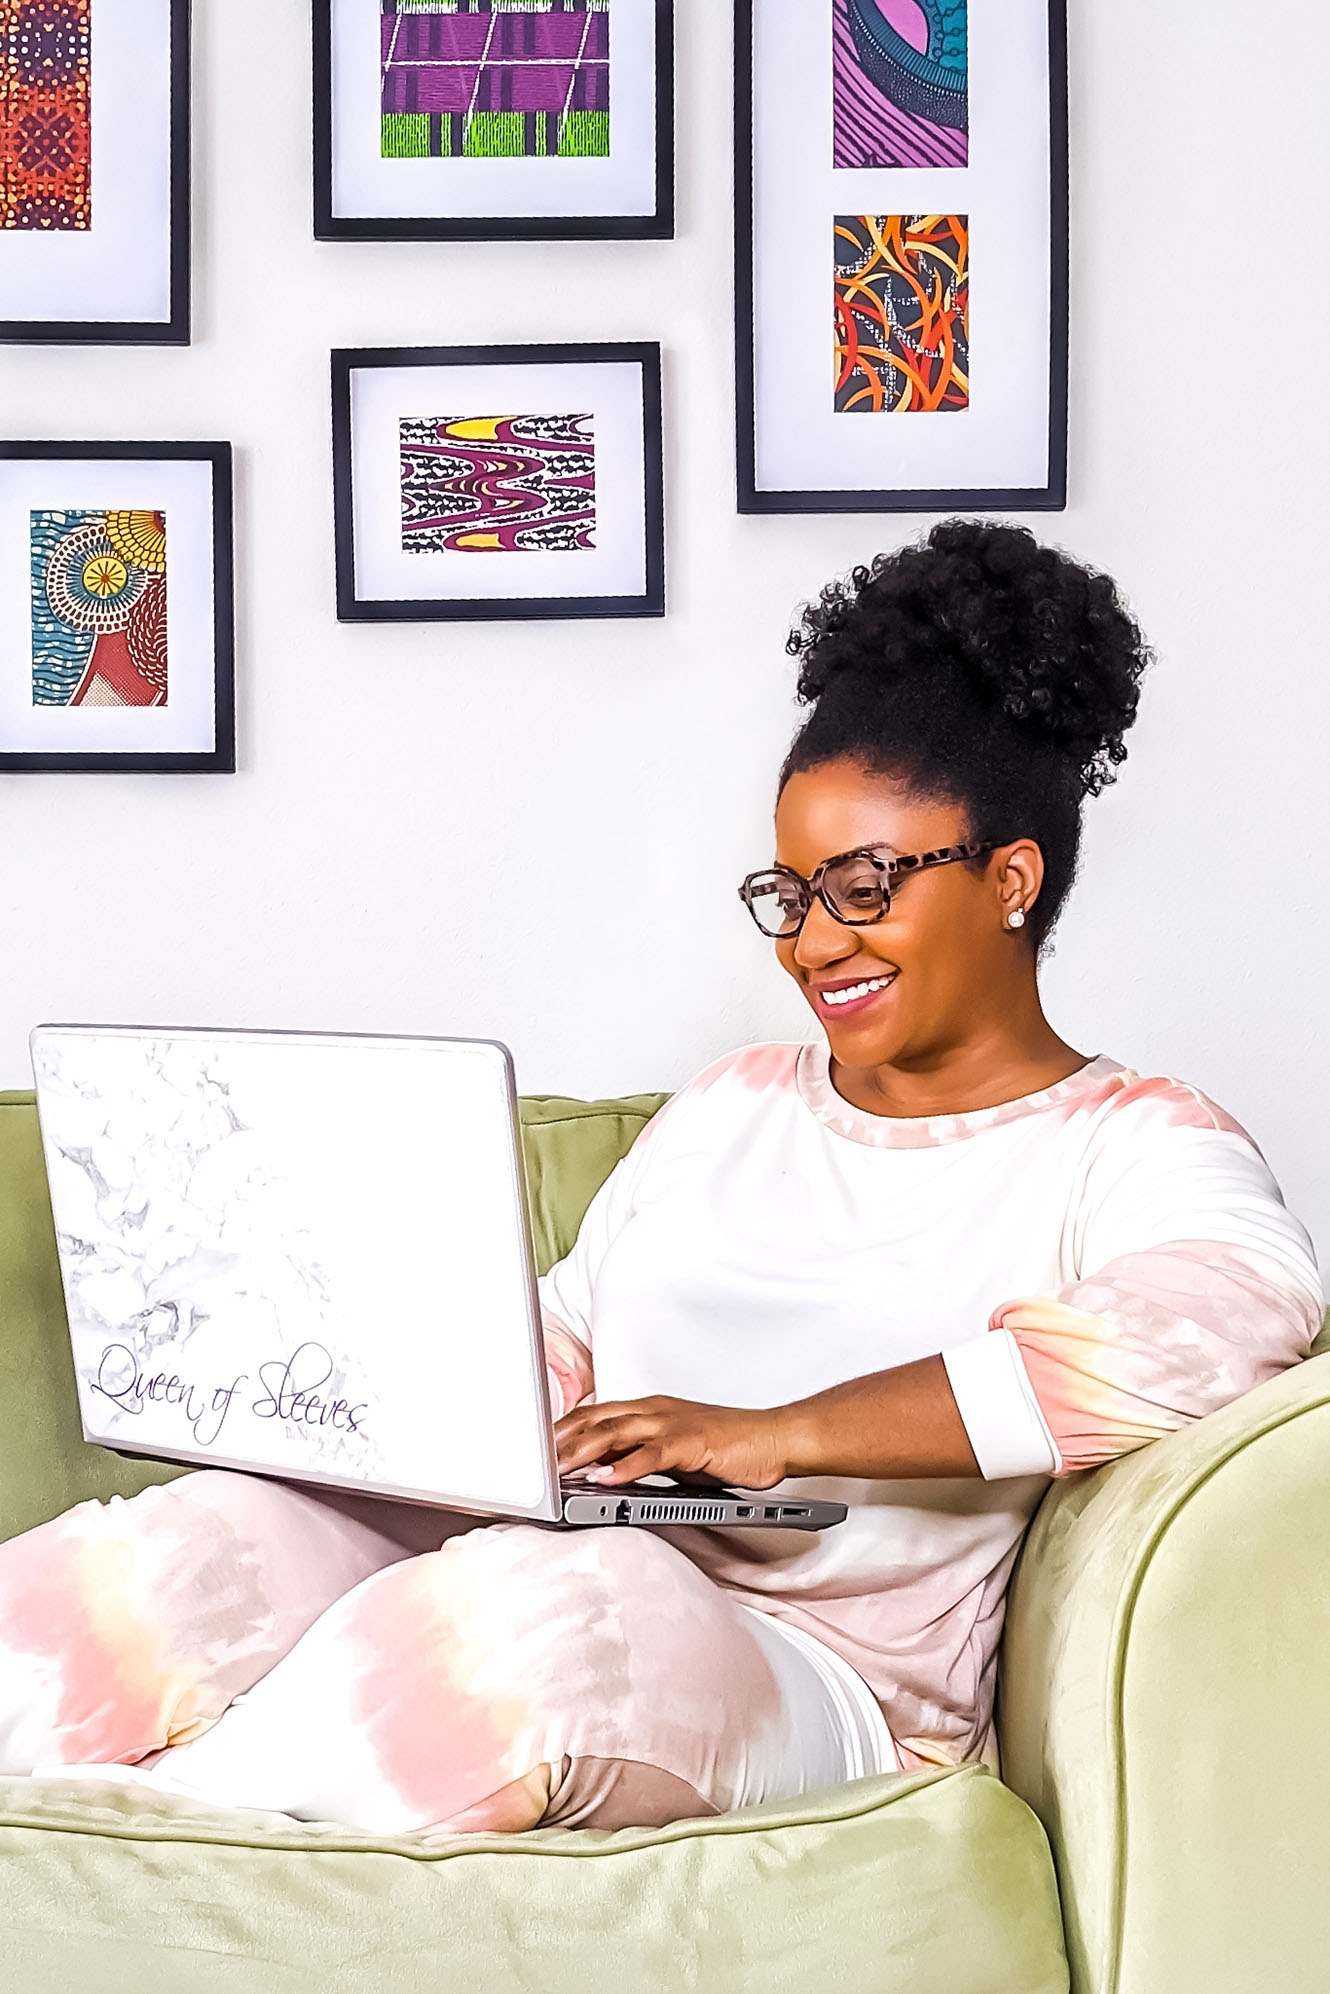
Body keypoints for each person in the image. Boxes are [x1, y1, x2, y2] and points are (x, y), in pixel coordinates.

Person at [0, 522, 1319, 1836]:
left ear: (1010, 878)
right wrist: (382, 1406)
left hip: (829, 1677)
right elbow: (571, 1331)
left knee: (537, 1621)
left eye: (863, 886)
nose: (812, 944)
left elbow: (1221, 1322)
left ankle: (105, 1845)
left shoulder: (1129, 1139)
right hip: (583, 1548)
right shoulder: (733, 1101)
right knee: (183, 1550)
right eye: (790, 894)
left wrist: (774, 1431)